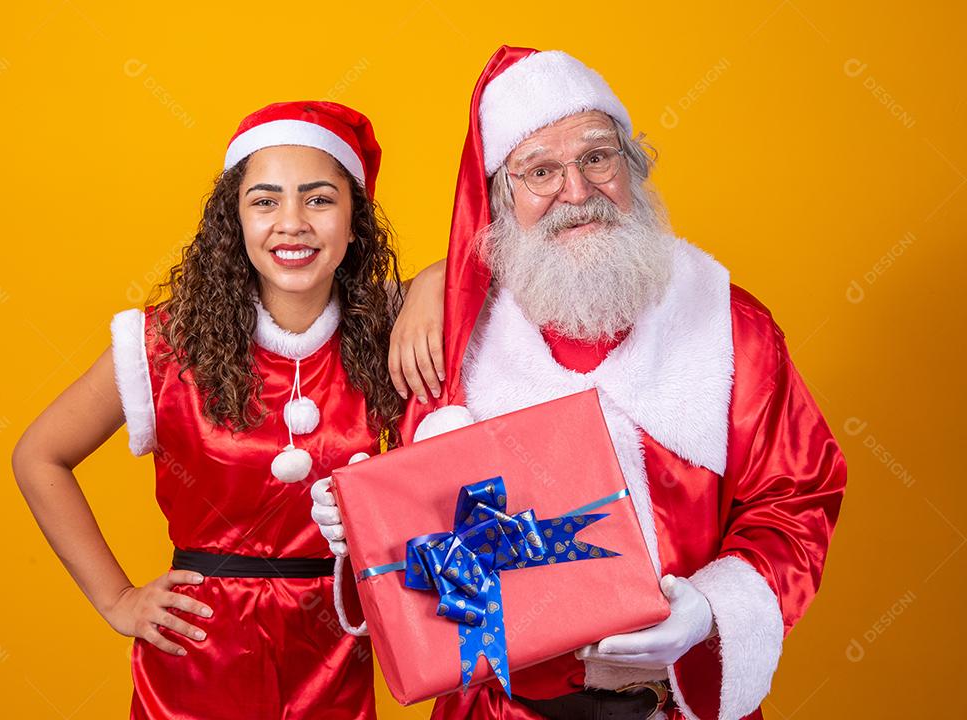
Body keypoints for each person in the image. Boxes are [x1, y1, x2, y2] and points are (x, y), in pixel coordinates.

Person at [314, 47, 847, 720]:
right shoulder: (453, 346)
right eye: (540, 171)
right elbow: (427, 547)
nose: (576, 190)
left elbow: (796, 500)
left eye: (598, 157)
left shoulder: (729, 327)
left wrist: (711, 609)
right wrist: (365, 530)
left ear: (633, 166)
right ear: (502, 199)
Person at [13, 101, 406, 719]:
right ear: (235, 220)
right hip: (196, 664)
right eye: (265, 201)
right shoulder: (166, 344)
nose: (292, 222)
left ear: (355, 220)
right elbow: (39, 456)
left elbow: (484, 275)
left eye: (319, 199)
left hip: (335, 659)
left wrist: (430, 283)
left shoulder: (394, 334)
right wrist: (117, 599)